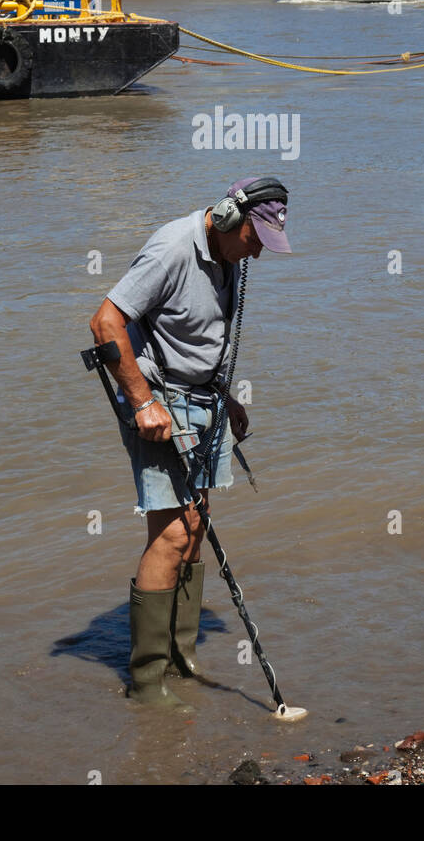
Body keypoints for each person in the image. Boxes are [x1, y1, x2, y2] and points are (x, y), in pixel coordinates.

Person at [89, 177, 291, 708]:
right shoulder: (173, 248)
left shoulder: (231, 254)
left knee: (195, 527)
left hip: (205, 399)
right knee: (174, 536)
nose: (257, 253)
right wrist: (142, 403)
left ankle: (180, 656)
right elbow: (105, 321)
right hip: (158, 401)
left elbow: (201, 335)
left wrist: (229, 397)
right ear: (228, 217)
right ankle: (148, 679)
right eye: (255, 239)